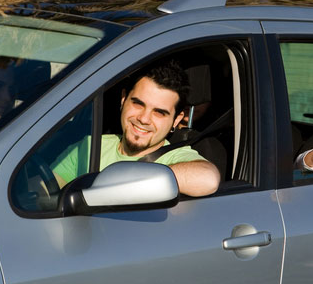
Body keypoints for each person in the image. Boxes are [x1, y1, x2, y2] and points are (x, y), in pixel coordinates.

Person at [51, 59, 221, 197]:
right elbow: (44, 192)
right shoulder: (91, 145)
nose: (143, 119)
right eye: (138, 104)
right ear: (123, 99)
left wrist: (139, 178)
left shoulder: (176, 157)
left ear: (176, 120)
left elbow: (209, 179)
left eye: (159, 113)